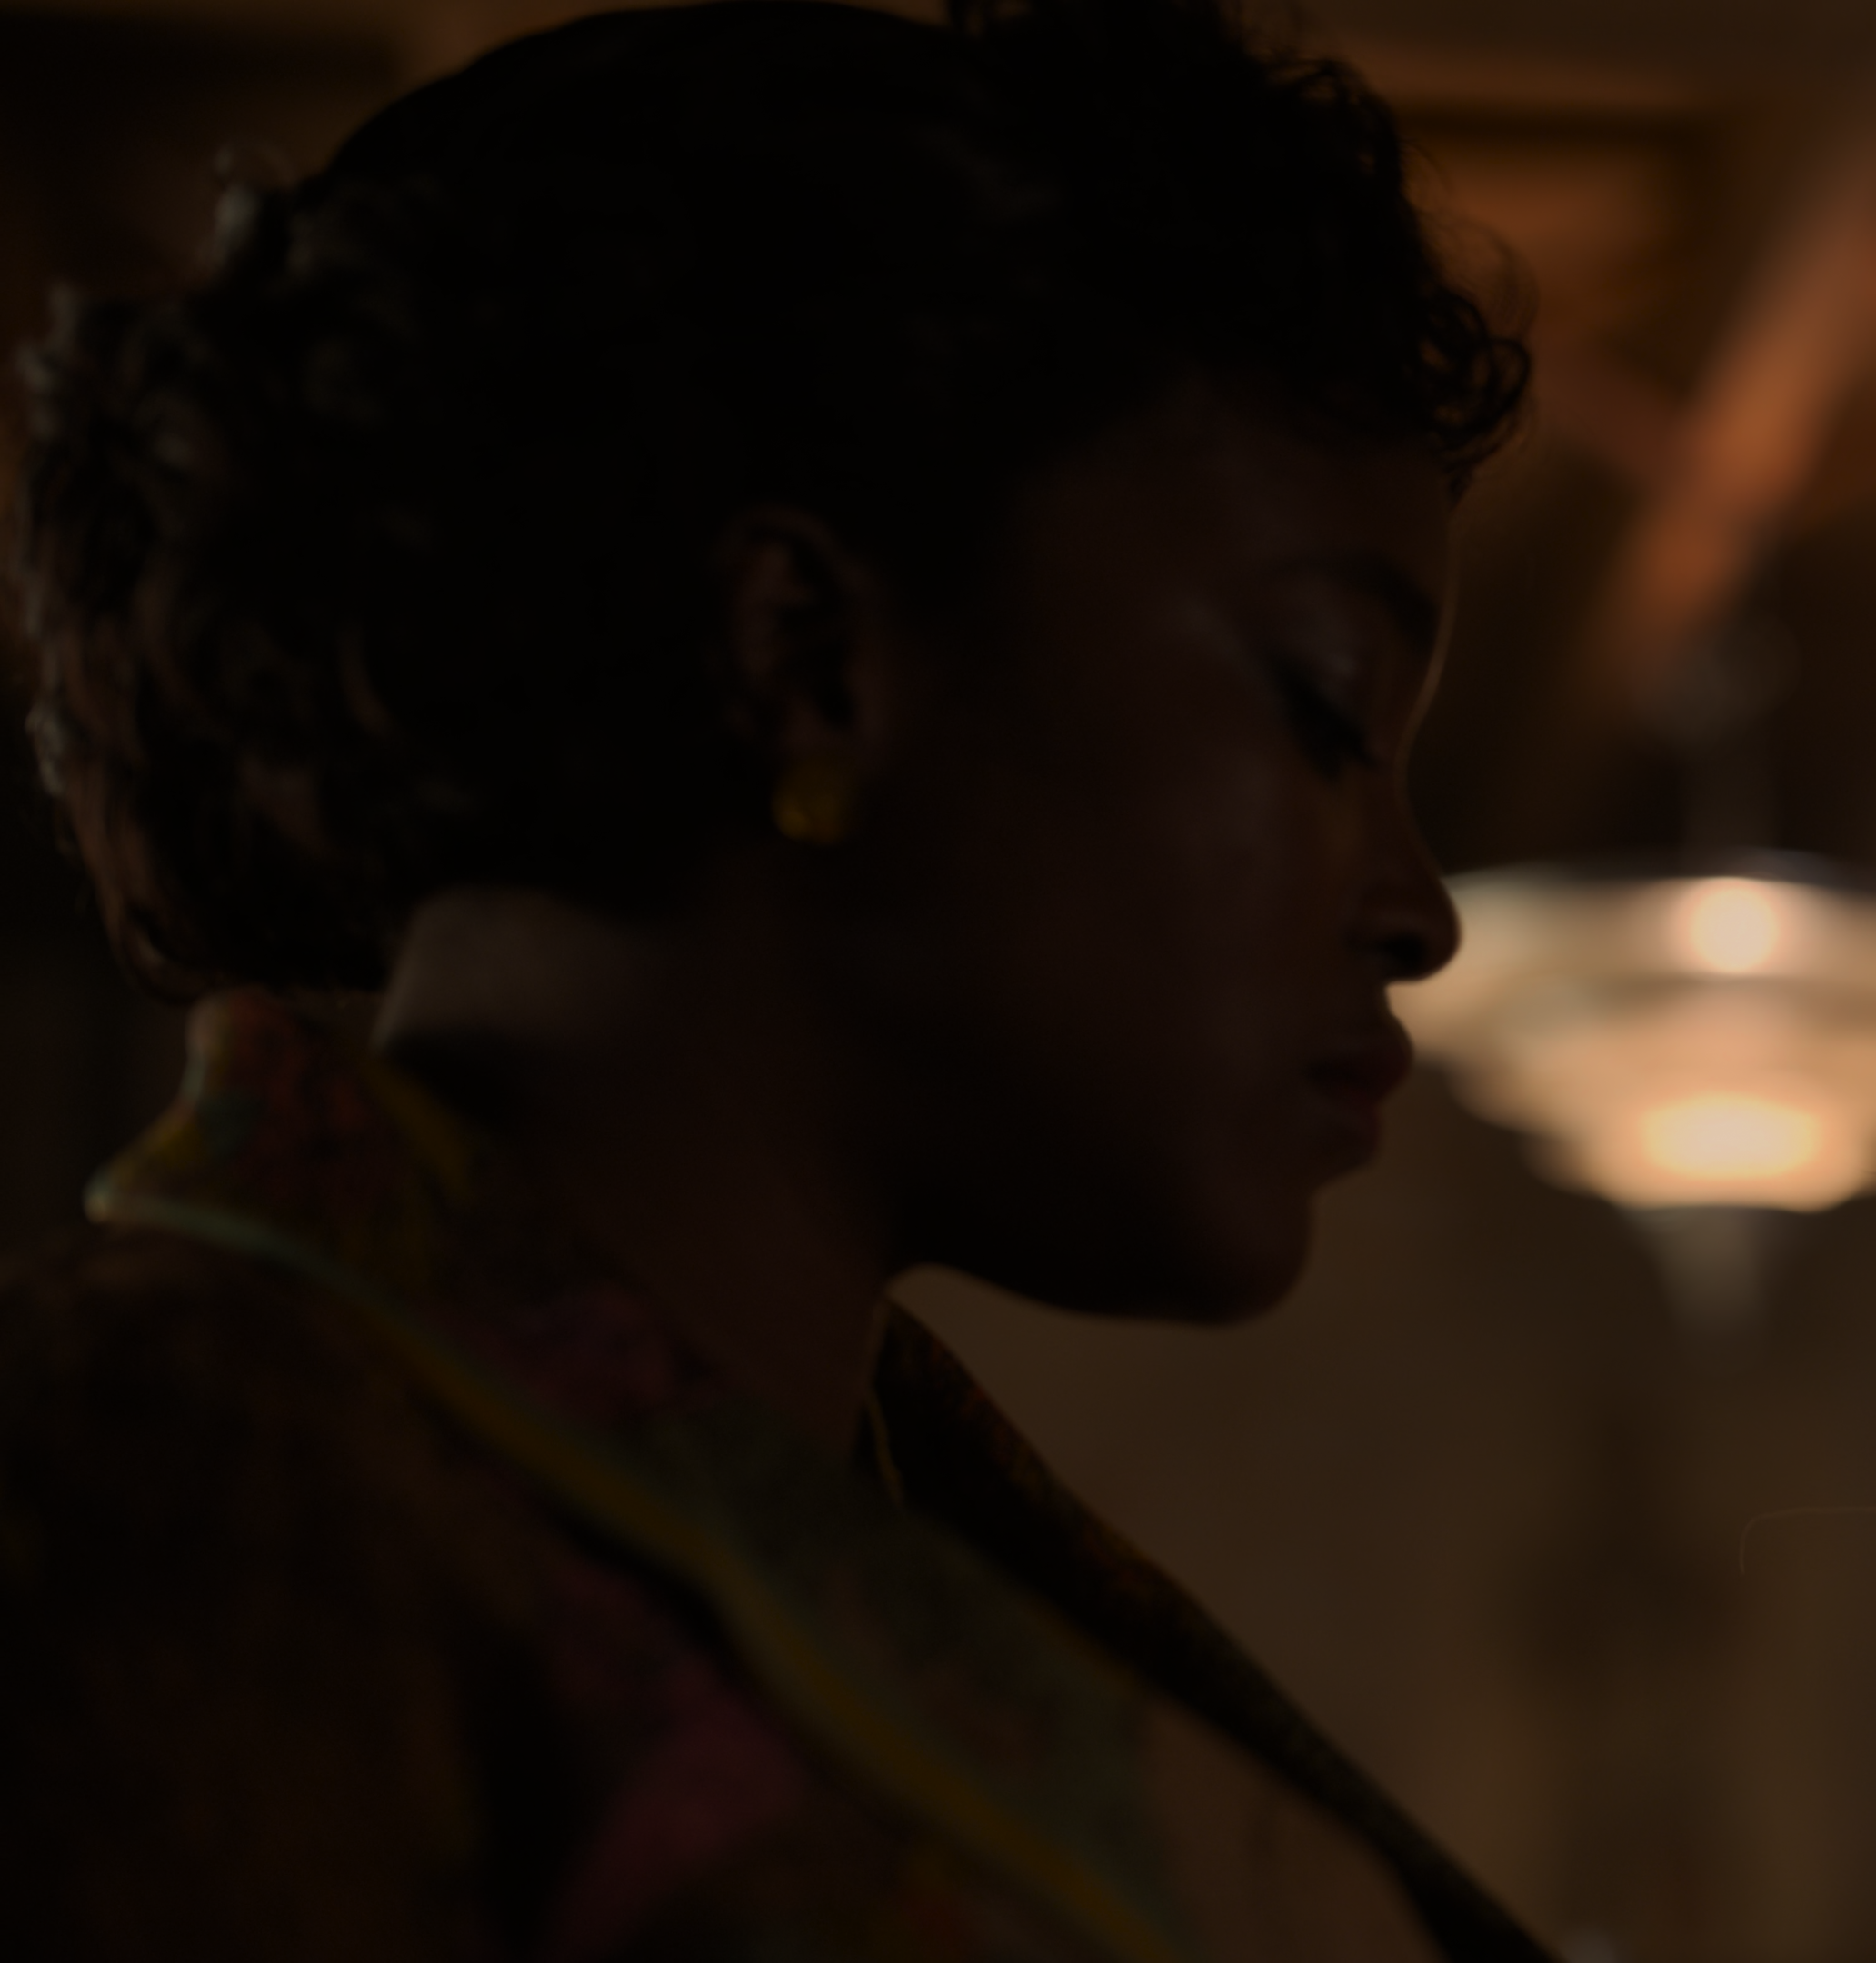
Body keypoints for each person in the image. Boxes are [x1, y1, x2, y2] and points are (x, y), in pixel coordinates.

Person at [0, 2, 1546, 1958]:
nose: (1419, 912)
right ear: (806, 654)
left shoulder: (868, 1523)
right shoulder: (162, 1484)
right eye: (1324, 705)